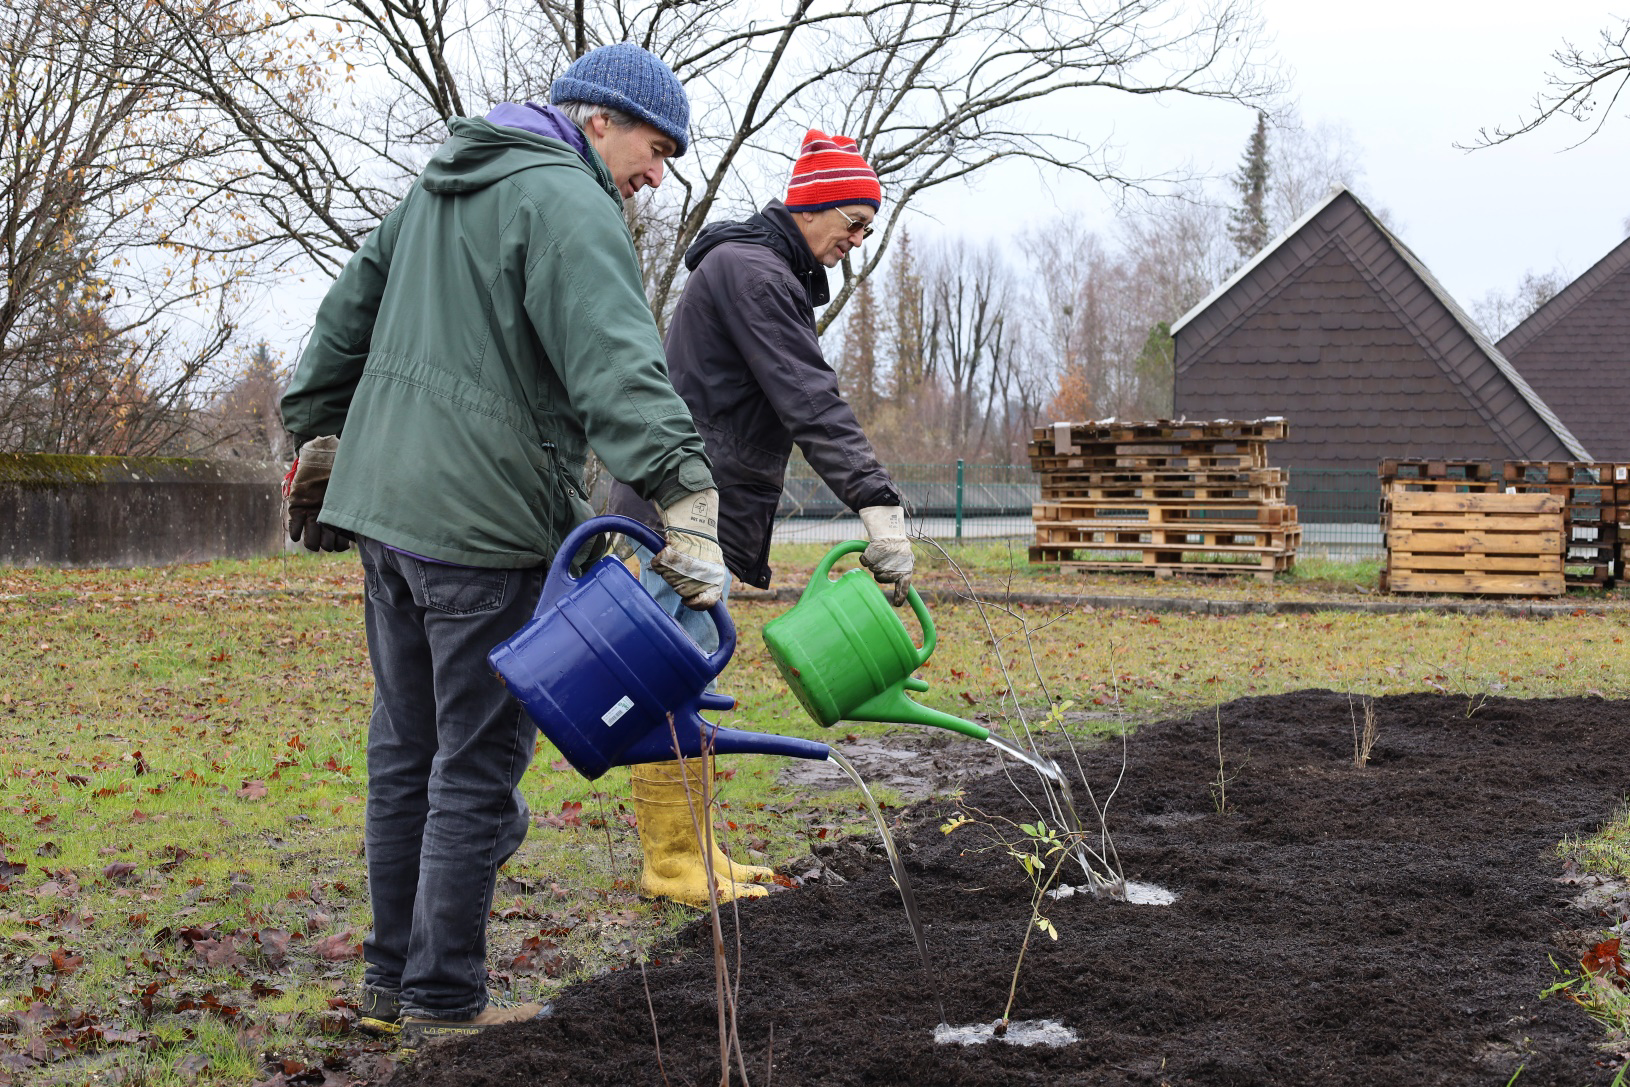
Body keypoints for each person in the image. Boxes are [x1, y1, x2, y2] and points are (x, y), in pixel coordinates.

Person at [279, 43, 730, 1048]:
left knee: (406, 752)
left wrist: (315, 428)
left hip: (386, 517)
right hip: (481, 529)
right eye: (655, 149)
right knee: (473, 769)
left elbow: (346, 312)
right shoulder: (570, 205)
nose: (656, 174)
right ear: (597, 119)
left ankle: (386, 983)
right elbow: (617, 361)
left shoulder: (441, 182)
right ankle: (444, 1000)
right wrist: (684, 494)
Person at [607, 129, 914, 895]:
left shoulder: (757, 268)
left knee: (681, 677)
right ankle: (672, 860)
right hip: (674, 511)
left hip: (687, 505)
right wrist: (877, 503)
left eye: (868, 226)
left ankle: (691, 850)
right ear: (810, 208)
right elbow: (810, 398)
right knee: (667, 679)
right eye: (853, 218)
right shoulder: (754, 274)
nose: (858, 236)